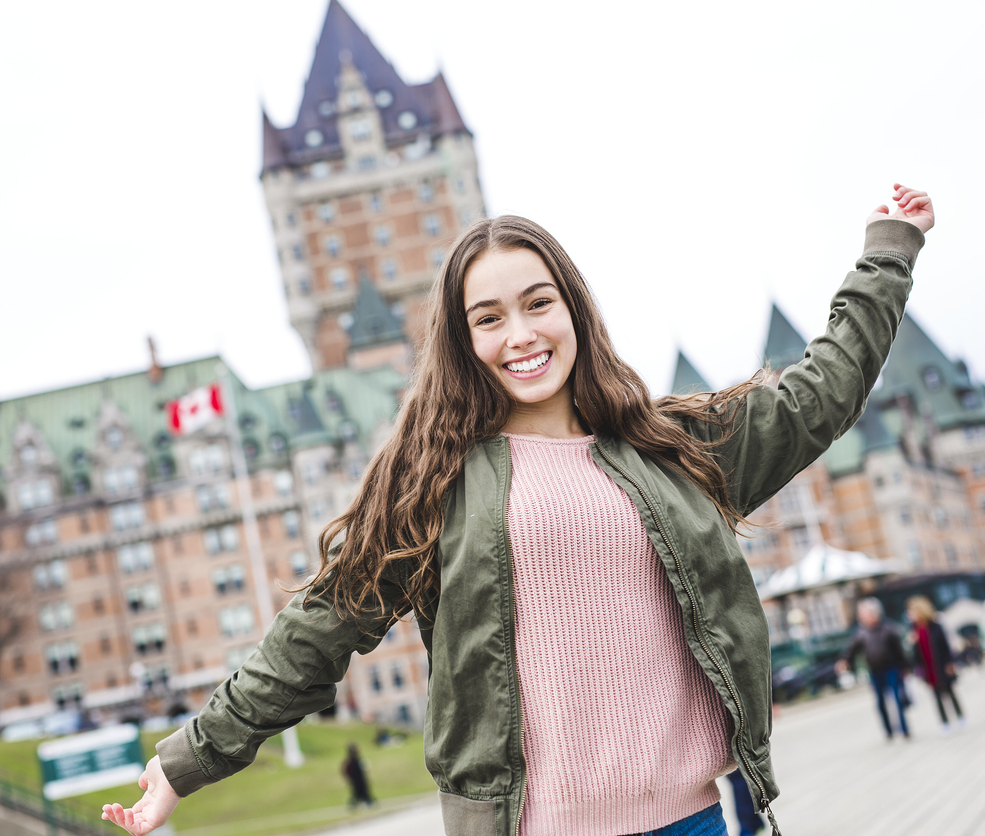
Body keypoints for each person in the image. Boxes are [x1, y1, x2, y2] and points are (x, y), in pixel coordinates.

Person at [102, 185, 933, 836]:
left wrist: (886, 251)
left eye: (538, 303)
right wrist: (185, 762)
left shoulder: (670, 449)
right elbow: (315, 631)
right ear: (464, 343)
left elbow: (823, 392)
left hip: (692, 822)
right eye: (488, 318)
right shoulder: (430, 483)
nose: (520, 334)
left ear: (572, 308)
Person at [837, 598, 912, 740]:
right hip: (875, 671)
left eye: (863, 613)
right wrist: (845, 661)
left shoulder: (889, 629)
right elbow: (852, 650)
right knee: (880, 702)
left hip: (891, 668)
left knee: (897, 698)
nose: (861, 617)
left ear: (874, 613)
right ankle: (888, 730)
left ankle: (904, 728)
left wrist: (904, 667)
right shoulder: (861, 633)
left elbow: (899, 651)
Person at [906, 595, 965, 734]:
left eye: (913, 611)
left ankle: (960, 717)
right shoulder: (914, 630)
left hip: (942, 664)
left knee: (950, 692)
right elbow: (915, 654)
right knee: (936, 696)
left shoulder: (935, 626)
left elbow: (945, 646)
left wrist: (950, 663)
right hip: (929, 668)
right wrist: (911, 644)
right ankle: (944, 722)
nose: (910, 614)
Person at [341, 743, 374, 809]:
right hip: (355, 779)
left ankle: (369, 802)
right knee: (357, 793)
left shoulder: (358, 759)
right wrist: (348, 778)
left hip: (361, 779)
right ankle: (354, 804)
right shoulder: (349, 761)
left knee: (364, 791)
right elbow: (344, 770)